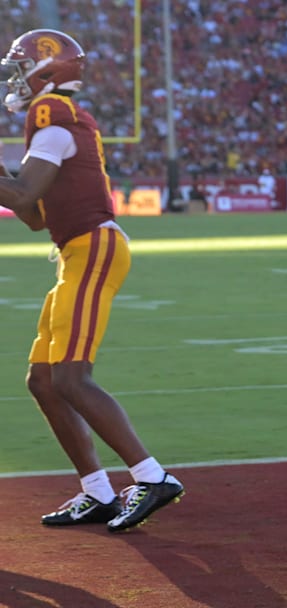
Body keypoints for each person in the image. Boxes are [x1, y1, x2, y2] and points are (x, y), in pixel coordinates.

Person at [0, 29, 184, 532]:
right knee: (42, 380)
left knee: (70, 377)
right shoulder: (51, 126)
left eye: (19, 68)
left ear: (48, 71)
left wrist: (8, 181)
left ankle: (151, 477)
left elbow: (20, 195)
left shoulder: (54, 120)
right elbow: (35, 215)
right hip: (72, 251)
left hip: (94, 247)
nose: (13, 80)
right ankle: (97, 491)